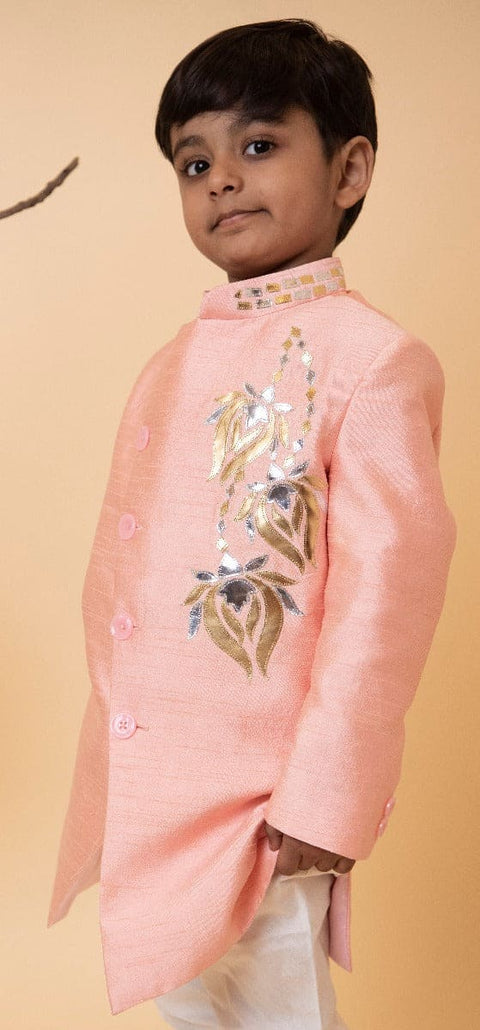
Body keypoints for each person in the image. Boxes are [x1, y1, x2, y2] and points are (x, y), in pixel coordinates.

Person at [47, 18, 457, 1029]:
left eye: (259, 144)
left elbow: (385, 603)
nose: (222, 179)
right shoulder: (174, 359)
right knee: (192, 1010)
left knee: (279, 1011)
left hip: (270, 803)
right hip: (159, 786)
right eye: (195, 163)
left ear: (349, 171)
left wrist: (328, 796)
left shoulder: (373, 361)